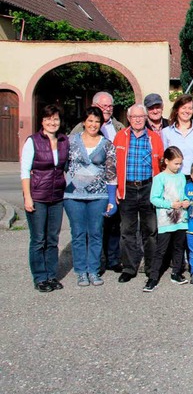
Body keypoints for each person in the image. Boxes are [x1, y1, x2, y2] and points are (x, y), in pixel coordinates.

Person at [64, 106, 118, 287]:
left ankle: (93, 270)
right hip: (73, 196)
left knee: (96, 233)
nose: (93, 124)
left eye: (97, 121)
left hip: (99, 196)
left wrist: (112, 200)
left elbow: (111, 173)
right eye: (90, 121)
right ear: (83, 122)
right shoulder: (71, 141)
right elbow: (63, 165)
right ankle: (81, 271)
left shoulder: (107, 144)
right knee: (78, 234)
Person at [21, 104, 70, 292]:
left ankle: (51, 275)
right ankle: (40, 277)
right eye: (48, 119)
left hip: (57, 196)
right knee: (38, 239)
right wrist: (27, 197)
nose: (52, 122)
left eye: (56, 119)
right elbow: (25, 171)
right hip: (38, 196)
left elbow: (67, 167)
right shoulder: (32, 141)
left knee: (52, 238)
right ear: (42, 121)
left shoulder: (64, 141)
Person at [113, 104, 164, 283]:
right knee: (127, 230)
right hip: (127, 188)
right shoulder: (120, 137)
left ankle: (151, 268)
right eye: (134, 117)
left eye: (141, 116)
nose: (138, 119)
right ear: (129, 118)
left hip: (148, 188)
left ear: (145, 118)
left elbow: (161, 164)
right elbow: (112, 165)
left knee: (150, 230)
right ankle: (129, 267)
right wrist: (116, 190)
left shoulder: (154, 138)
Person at [144, 146, 190, 292]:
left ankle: (176, 272)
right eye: (176, 163)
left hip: (181, 218)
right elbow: (154, 199)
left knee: (179, 247)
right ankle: (152, 277)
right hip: (166, 219)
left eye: (180, 164)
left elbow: (184, 194)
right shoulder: (159, 178)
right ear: (167, 161)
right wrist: (170, 204)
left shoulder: (181, 177)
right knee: (161, 249)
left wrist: (186, 201)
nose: (179, 166)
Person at [162, 94, 193, 176]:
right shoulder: (166, 132)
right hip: (174, 177)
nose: (187, 111)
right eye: (183, 108)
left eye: (190, 108)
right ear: (177, 110)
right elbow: (164, 157)